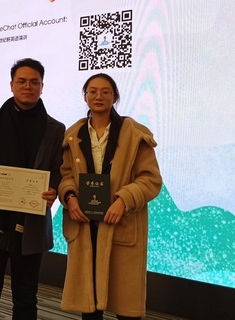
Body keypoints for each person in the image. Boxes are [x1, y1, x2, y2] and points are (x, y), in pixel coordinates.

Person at [0, 58, 65, 320]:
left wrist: (53, 188)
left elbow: (59, 170)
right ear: (12, 85)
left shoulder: (55, 129)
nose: (27, 86)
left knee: (26, 297)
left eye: (34, 82)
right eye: (21, 81)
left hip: (30, 222)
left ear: (42, 86)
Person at [58, 73, 162, 320]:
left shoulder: (134, 134)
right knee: (89, 307)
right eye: (92, 91)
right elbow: (65, 175)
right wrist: (70, 197)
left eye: (106, 91)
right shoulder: (73, 134)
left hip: (120, 223)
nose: (99, 96)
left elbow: (151, 179)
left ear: (115, 97)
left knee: (126, 307)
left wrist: (124, 200)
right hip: (85, 225)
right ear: (85, 97)